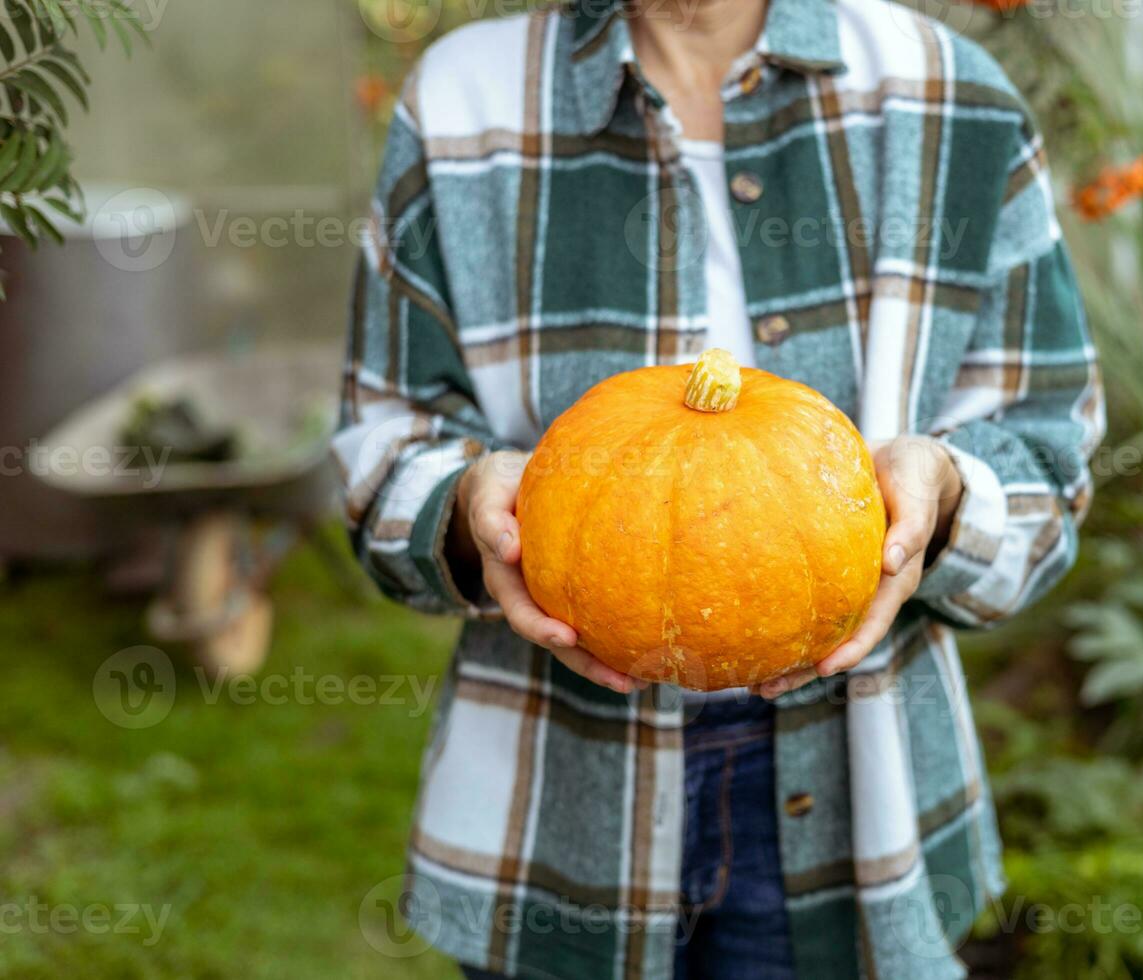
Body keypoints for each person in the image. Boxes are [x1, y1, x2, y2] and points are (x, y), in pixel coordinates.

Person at [332, 0, 1103, 975]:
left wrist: (947, 494)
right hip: (552, 795)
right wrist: (461, 507)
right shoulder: (460, 102)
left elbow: (1051, 450)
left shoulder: (951, 98)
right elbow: (378, 445)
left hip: (857, 784)